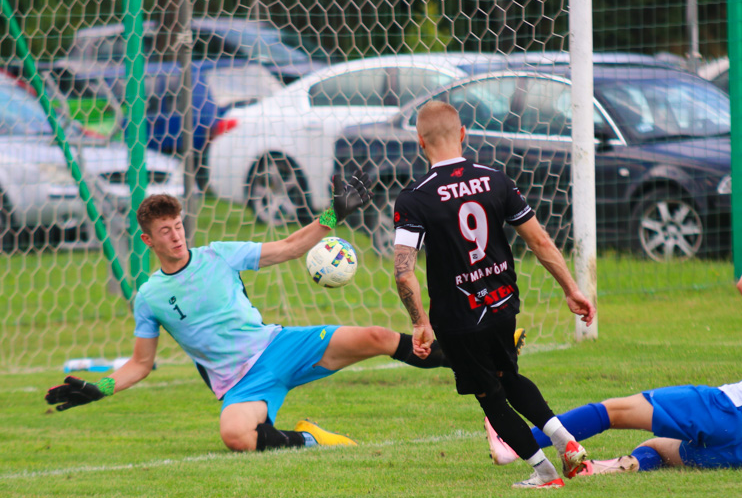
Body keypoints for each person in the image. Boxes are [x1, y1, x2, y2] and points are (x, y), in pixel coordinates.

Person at [45, 174, 458, 452]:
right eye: (165, 231)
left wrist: (334, 215)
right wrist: (99, 388)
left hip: (278, 346)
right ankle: (310, 439)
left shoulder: (218, 255)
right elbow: (140, 364)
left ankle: (473, 357)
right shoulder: (150, 297)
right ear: (147, 239)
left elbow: (290, 247)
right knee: (235, 435)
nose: (176, 236)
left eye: (178, 226)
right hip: (241, 384)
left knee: (376, 337)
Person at [487, 251, 742, 475]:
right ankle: (609, 469)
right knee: (662, 448)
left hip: (728, 412)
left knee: (615, 411)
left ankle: (515, 445)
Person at [392, 100, 597, 489]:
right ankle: (565, 440)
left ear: (420, 141)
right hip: (503, 304)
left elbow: (404, 274)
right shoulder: (496, 179)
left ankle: (545, 473)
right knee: (509, 374)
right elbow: (539, 240)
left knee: (490, 395)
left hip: (459, 317)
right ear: (463, 133)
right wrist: (572, 289)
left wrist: (419, 322)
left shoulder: (415, 197)